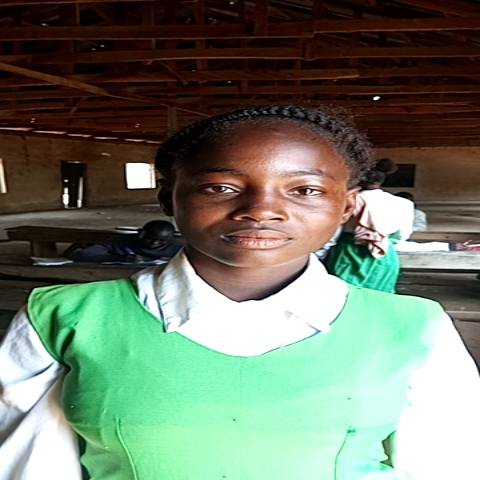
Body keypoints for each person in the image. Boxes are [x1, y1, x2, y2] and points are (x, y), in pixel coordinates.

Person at [0, 105, 479, 480]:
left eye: (306, 190)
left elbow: (447, 464)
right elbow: (29, 464)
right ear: (168, 197)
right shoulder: (66, 319)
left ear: (347, 205)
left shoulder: (412, 327)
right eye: (221, 187)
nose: (261, 210)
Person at [324, 169, 414, 293]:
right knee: (380, 291)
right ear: (381, 181)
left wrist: (323, 251)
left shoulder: (349, 200)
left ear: (360, 179)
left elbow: (334, 231)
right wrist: (387, 241)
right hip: (385, 252)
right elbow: (403, 233)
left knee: (345, 291)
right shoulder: (402, 202)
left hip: (350, 251)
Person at [71, 220, 183, 263]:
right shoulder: (123, 242)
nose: (155, 243)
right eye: (150, 238)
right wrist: (119, 258)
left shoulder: (177, 247)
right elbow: (81, 256)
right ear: (140, 232)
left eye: (162, 241)